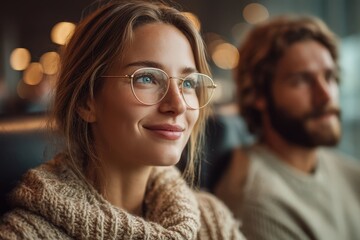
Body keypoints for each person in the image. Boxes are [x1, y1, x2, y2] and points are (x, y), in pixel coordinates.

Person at [0, 1, 244, 239]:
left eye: (188, 83)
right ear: (86, 101)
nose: (178, 105)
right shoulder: (25, 234)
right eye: (147, 78)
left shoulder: (210, 218)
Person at [214, 15, 360, 240]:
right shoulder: (255, 203)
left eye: (329, 77)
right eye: (301, 80)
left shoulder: (356, 175)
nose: (326, 95)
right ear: (259, 95)